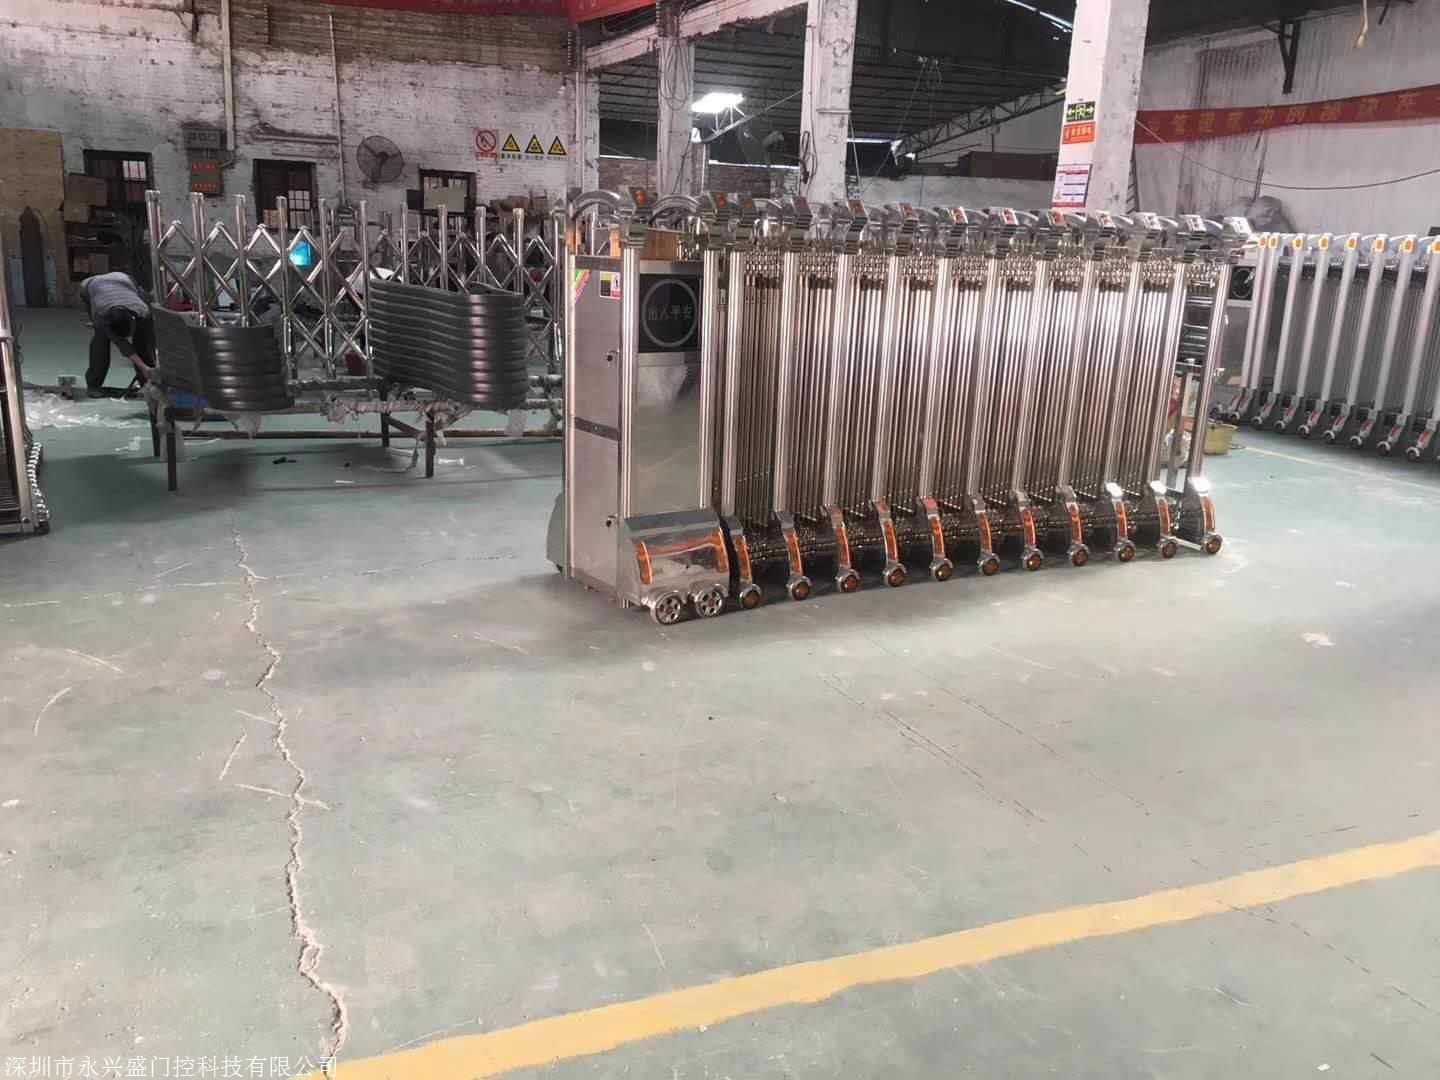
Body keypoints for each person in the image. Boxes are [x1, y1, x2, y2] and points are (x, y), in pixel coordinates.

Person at [79, 271, 155, 396]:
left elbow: (151, 341)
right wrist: (143, 366)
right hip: (91, 285)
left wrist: (152, 364)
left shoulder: (143, 311)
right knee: (101, 339)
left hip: (124, 280)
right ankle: (94, 385)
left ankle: (147, 381)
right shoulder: (102, 316)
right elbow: (124, 346)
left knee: (142, 340)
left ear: (133, 320)